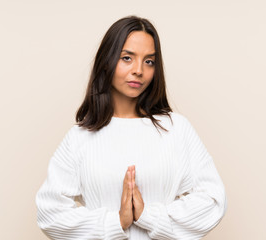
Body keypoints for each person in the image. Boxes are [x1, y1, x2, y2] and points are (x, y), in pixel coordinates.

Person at [35, 15, 227, 240]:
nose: (139, 70)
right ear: (107, 61)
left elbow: (213, 200)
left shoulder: (176, 129)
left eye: (149, 61)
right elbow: (50, 214)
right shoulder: (80, 137)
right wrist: (116, 222)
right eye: (127, 58)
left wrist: (149, 217)